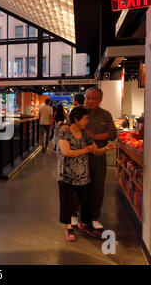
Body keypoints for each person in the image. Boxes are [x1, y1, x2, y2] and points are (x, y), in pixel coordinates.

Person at [60, 87, 117, 230]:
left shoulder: (105, 115)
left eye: (94, 98)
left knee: (97, 187)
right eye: (88, 98)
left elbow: (112, 133)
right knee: (77, 186)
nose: (90, 101)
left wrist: (96, 137)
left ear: (100, 100)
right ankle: (74, 215)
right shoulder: (79, 112)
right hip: (79, 156)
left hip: (98, 155)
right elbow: (68, 125)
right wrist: (63, 128)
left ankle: (93, 217)